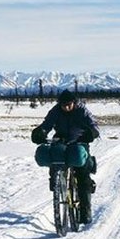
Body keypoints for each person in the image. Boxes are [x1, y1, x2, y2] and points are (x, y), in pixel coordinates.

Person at [31, 89, 100, 224]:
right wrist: (41, 132)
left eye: (69, 104)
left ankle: (85, 210)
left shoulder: (82, 110)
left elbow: (94, 125)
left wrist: (91, 133)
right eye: (63, 105)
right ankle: (57, 184)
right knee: (55, 160)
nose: (66, 107)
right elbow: (47, 124)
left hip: (79, 140)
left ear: (74, 102)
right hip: (61, 140)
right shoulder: (55, 111)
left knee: (82, 175)